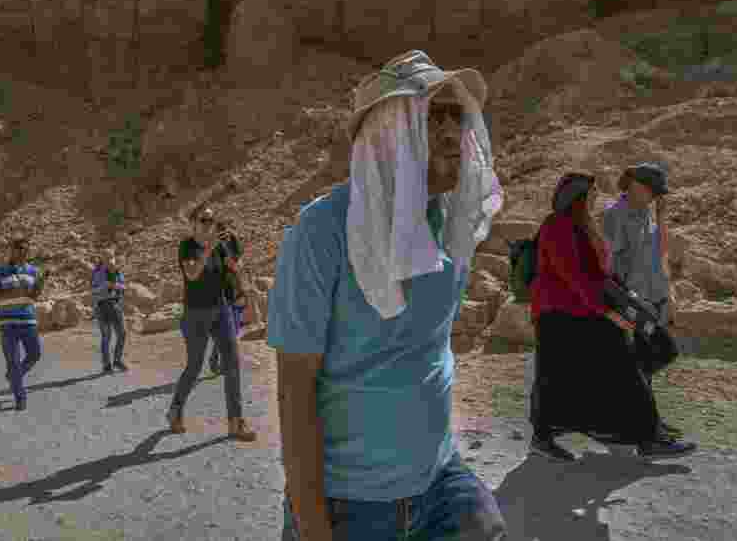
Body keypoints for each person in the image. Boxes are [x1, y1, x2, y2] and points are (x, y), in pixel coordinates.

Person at [270, 50, 508, 541]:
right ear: (388, 135)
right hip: (351, 504)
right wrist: (315, 529)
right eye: (431, 116)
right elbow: (295, 393)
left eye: (456, 116)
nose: (451, 132)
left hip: (439, 481)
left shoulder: (451, 225)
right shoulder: (322, 232)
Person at [527, 172, 697, 462]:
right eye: (591, 192)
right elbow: (575, 278)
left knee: (644, 356)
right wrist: (608, 313)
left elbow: (599, 274)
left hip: (584, 311)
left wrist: (625, 299)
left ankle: (628, 427)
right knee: (560, 377)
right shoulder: (558, 226)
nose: (596, 196)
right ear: (577, 196)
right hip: (561, 316)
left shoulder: (583, 225)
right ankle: (647, 436)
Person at [601, 163, 683, 438]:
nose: (656, 197)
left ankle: (648, 421)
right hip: (636, 302)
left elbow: (659, 253)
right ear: (636, 185)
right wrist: (626, 302)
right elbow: (610, 265)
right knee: (642, 361)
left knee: (648, 361)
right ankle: (639, 424)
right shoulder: (616, 216)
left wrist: (661, 217)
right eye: (654, 191)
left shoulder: (646, 212)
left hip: (655, 297)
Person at [167, 205, 257, 442]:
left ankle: (236, 422)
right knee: (194, 367)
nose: (209, 225)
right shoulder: (188, 245)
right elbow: (193, 274)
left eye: (212, 220)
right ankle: (176, 409)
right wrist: (209, 249)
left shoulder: (219, 246)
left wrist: (233, 263)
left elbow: (234, 270)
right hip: (195, 313)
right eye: (204, 220)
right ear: (193, 223)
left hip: (222, 309)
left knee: (233, 364)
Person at [0, 232, 45, 411]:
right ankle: (20, 397)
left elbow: (34, 296)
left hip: (28, 321)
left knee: (34, 355)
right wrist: (12, 292)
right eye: (17, 249)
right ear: (10, 250)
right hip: (8, 323)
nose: (21, 252)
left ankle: (13, 376)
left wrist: (40, 283)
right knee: (12, 360)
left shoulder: (33, 271)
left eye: (25, 249)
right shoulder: (0, 271)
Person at [209, 222, 247, 375]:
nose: (224, 237)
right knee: (227, 329)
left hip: (235, 291)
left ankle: (215, 356)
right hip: (221, 293)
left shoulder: (233, 243)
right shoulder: (213, 249)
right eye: (221, 235)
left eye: (226, 234)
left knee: (235, 328)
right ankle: (221, 360)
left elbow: (237, 265)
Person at [92, 248, 128, 373]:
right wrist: (104, 286)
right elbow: (93, 291)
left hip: (116, 305)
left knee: (122, 333)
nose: (109, 260)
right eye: (106, 257)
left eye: (111, 257)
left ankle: (117, 360)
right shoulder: (97, 272)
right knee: (106, 336)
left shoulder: (117, 271)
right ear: (102, 259)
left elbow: (123, 286)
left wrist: (116, 286)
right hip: (102, 307)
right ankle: (106, 364)